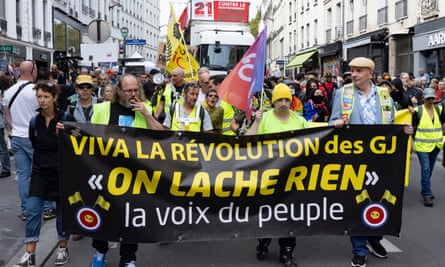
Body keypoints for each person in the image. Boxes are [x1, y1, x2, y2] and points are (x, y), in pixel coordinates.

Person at [329, 57, 413, 267]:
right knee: (357, 202)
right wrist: (336, 123)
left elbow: (392, 124)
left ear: (370, 73)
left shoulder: (384, 95)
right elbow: (331, 123)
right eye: (352, 71)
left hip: (381, 160)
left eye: (358, 71)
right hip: (354, 160)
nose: (354, 75)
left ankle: (375, 239)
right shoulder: (343, 94)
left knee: (380, 200)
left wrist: (405, 131)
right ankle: (359, 248)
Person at [90, 74, 163, 267]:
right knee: (103, 211)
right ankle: (100, 251)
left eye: (135, 90)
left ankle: (128, 258)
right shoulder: (102, 109)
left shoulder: (146, 109)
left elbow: (163, 136)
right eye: (128, 90)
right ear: (119, 91)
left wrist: (146, 114)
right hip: (106, 171)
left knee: (132, 217)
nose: (132, 94)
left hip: (134, 174)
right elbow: (87, 136)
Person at [246, 83, 309, 267]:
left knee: (290, 216)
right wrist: (256, 122)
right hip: (267, 178)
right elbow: (248, 142)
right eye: (279, 100)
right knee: (267, 214)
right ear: (273, 102)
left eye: (286, 100)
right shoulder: (264, 118)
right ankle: (263, 242)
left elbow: (316, 136)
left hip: (292, 179)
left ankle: (286, 252)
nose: (283, 103)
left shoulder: (298, 120)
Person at [13, 81, 70, 267]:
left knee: (62, 214)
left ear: (54, 97)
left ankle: (63, 247)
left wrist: (64, 134)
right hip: (40, 172)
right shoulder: (34, 120)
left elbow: (76, 147)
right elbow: (34, 142)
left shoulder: (64, 118)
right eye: (39, 96)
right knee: (32, 210)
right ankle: (30, 254)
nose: (42, 100)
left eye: (46, 96)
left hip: (61, 172)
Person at [2, 60, 56, 221]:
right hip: (34, 137)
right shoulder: (35, 92)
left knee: (23, 175)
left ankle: (26, 209)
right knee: (43, 172)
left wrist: (14, 128)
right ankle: (47, 208)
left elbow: (7, 116)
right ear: (33, 71)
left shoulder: (9, 91)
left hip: (17, 137)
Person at [411, 88, 445, 207]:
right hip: (422, 145)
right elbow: (411, 126)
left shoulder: (439, 109)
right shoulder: (417, 111)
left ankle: (424, 187)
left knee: (429, 169)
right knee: (425, 168)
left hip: (436, 145)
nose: (430, 100)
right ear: (423, 98)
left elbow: (443, 123)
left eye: (432, 98)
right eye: (428, 98)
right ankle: (427, 194)